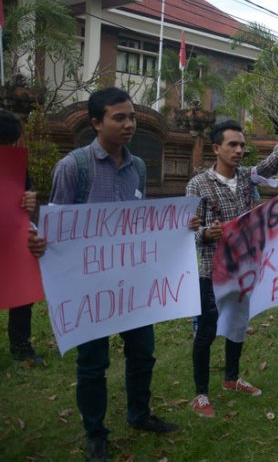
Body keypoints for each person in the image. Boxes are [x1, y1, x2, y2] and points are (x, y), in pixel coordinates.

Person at [49, 88, 188, 462]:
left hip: (133, 285)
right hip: (90, 287)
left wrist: (177, 226)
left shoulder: (138, 166)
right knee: (93, 363)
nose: (129, 125)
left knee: (143, 353)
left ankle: (139, 414)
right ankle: (96, 433)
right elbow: (57, 233)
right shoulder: (73, 167)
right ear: (96, 123)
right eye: (119, 118)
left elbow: (139, 222)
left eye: (132, 117)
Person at [186, 114, 278, 418]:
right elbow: (185, 232)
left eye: (242, 146)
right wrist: (204, 233)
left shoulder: (249, 177)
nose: (239, 151)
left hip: (245, 269)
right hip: (211, 271)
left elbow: (275, 161)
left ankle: (231, 378)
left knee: (238, 325)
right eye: (232, 145)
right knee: (207, 331)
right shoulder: (198, 185)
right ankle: (200, 394)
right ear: (215, 149)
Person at [0, 109, 45, 365]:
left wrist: (29, 200)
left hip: (12, 233)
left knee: (22, 290)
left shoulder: (16, 164)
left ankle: (20, 344)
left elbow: (24, 195)